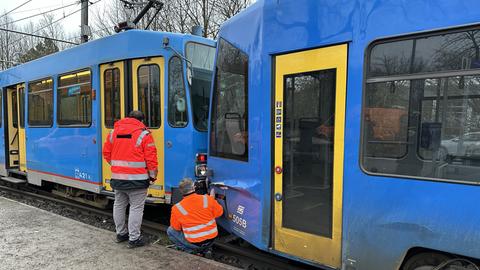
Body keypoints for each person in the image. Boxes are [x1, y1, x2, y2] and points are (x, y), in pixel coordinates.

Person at [102, 110, 158, 248]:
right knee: (136, 208)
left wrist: (117, 167)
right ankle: (134, 238)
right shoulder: (144, 134)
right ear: (141, 120)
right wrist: (152, 176)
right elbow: (151, 158)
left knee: (119, 205)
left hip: (118, 178)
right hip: (138, 180)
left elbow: (106, 153)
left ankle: (121, 234)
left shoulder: (113, 132)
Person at [167, 178, 223, 256]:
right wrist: (212, 200)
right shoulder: (207, 199)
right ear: (194, 187)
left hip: (194, 243)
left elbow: (176, 228)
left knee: (170, 230)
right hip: (211, 239)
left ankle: (190, 250)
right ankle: (207, 249)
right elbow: (219, 213)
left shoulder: (177, 208)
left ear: (181, 191)